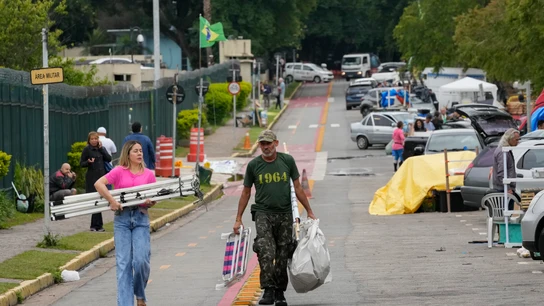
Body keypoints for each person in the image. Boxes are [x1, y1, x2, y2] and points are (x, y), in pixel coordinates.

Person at [233, 130, 316, 306]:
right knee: (265, 250)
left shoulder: (287, 161)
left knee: (283, 252)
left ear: (276, 143)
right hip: (263, 214)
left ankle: (279, 292)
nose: (266, 147)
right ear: (259, 145)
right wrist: (238, 218)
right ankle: (268, 289)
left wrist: (308, 210)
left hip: (285, 214)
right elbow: (246, 192)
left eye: (268, 143)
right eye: (262, 144)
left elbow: (298, 187)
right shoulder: (254, 165)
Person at [94, 140, 157, 306]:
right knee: (124, 264)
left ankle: (140, 295)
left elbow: (154, 196)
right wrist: (111, 201)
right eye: (135, 151)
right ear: (127, 153)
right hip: (122, 218)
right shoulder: (119, 171)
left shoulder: (149, 174)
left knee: (141, 260)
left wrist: (151, 201)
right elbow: (99, 184)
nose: (139, 153)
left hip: (141, 217)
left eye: (141, 151)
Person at [80, 131, 112, 232]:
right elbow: (81, 163)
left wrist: (102, 149)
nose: (94, 141)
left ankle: (98, 225)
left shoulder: (101, 148)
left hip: (101, 177)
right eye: (92, 139)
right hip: (92, 177)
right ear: (89, 140)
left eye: (96, 139)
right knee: (95, 201)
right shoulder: (87, 150)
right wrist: (88, 162)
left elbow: (108, 158)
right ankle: (95, 225)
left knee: (101, 200)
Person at [492, 128, 521, 209]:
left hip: (504, 187)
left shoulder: (505, 150)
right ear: (509, 139)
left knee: (506, 211)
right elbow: (501, 173)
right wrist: (508, 188)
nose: (518, 142)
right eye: (516, 140)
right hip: (503, 188)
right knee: (505, 212)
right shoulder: (503, 152)